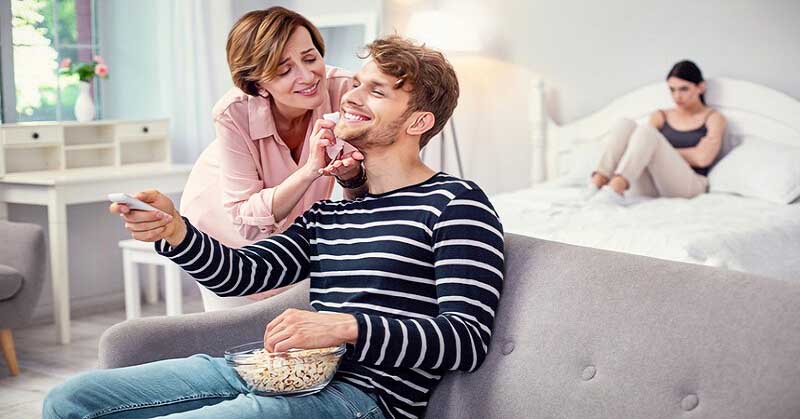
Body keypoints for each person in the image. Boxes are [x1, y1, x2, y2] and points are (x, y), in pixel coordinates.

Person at [44, 35, 504, 419]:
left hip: (360, 398)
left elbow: (465, 338)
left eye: (377, 92)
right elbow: (245, 273)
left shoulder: (455, 203)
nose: (350, 95)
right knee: (70, 399)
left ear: (419, 121)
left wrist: (344, 327)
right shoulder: (334, 210)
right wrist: (174, 231)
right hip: (273, 370)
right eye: (358, 84)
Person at [179, 7, 367, 306]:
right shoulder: (233, 113)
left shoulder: (343, 90)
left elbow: (367, 182)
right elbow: (247, 222)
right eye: (284, 70)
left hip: (294, 231)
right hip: (226, 223)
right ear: (257, 83)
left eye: (310, 58)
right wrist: (309, 171)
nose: (308, 76)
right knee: (237, 332)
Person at [587, 60, 727, 205]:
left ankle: (615, 188)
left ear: (700, 87)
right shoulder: (661, 116)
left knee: (648, 133)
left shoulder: (713, 118)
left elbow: (703, 158)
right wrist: (685, 152)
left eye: (684, 89)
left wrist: (659, 149)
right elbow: (641, 148)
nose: (677, 96)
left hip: (690, 186)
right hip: (655, 185)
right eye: (672, 90)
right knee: (625, 124)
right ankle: (597, 184)